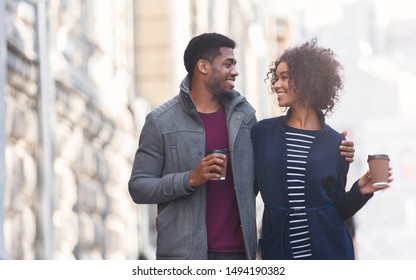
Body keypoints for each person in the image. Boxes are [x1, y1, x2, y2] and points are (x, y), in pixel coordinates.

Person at [128, 33, 356, 260]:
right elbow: (138, 187)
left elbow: (282, 172)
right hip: (183, 256)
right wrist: (190, 179)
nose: (235, 71)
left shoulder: (245, 119)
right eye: (228, 64)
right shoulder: (161, 121)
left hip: (239, 254)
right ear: (203, 67)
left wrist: (329, 148)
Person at [251, 39, 393, 260]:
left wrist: (360, 192)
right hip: (279, 252)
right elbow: (245, 191)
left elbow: (336, 210)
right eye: (276, 78)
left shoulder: (337, 144)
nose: (276, 85)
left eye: (285, 77)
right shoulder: (262, 133)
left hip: (329, 253)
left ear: (307, 80)